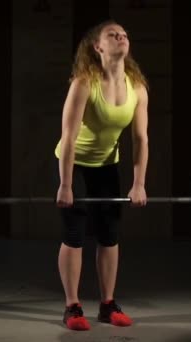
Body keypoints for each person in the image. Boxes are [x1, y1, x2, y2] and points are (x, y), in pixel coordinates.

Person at [54, 19, 149, 331]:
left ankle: (107, 305)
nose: (121, 36)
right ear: (98, 46)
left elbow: (140, 140)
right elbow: (68, 138)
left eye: (124, 33)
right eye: (113, 34)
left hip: (107, 165)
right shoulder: (85, 82)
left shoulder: (137, 87)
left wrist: (139, 183)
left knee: (109, 235)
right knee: (75, 234)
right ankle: (72, 306)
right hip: (75, 163)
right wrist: (66, 185)